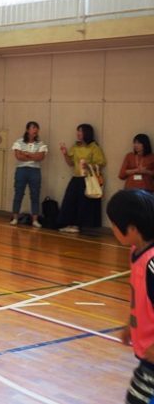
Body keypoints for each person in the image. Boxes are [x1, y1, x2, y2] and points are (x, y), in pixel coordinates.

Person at [106, 189, 154, 404]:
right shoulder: (136, 251)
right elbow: (143, 300)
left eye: (114, 224)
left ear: (132, 228)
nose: (112, 228)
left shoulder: (152, 263)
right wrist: (130, 324)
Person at [58, 123, 106, 233]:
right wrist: (65, 154)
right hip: (76, 177)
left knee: (83, 203)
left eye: (80, 131)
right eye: (78, 131)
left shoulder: (94, 147)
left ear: (86, 133)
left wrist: (88, 166)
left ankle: (77, 225)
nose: (78, 133)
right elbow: (70, 163)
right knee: (70, 200)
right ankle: (69, 223)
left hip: (87, 178)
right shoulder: (75, 146)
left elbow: (101, 164)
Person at [10, 121, 48, 228]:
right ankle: (15, 218)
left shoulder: (41, 143)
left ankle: (35, 220)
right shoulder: (19, 142)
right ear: (27, 130)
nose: (35, 130)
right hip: (21, 170)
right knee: (18, 193)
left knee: (35, 195)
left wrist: (27, 154)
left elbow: (40, 157)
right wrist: (33, 156)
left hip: (35, 171)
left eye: (37, 128)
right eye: (33, 128)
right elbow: (18, 156)